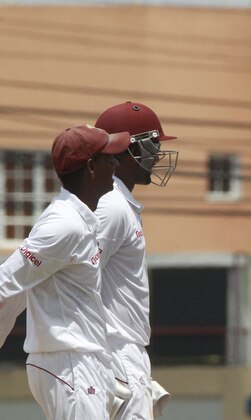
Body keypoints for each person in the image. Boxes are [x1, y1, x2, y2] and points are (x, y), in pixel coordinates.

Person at [0, 124, 131, 419]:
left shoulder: (80, 218)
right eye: (108, 156)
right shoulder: (64, 224)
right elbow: (7, 281)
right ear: (90, 167)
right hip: (68, 363)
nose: (115, 163)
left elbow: (24, 285)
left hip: (78, 361)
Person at [94, 101, 178, 419]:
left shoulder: (120, 202)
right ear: (126, 149)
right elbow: (78, 276)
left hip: (124, 352)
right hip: (114, 352)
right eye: (152, 144)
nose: (157, 154)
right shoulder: (111, 205)